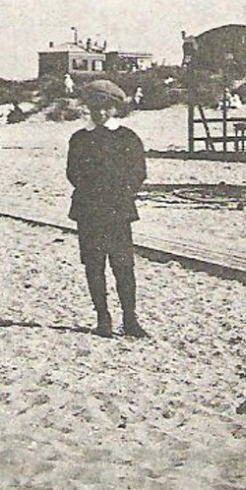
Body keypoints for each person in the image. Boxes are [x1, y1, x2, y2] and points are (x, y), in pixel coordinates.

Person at [66, 79, 148, 339]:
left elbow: (138, 173)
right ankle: (103, 317)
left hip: (117, 211)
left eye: (106, 108)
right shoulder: (79, 139)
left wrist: (119, 193)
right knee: (94, 265)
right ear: (88, 109)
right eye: (95, 108)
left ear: (114, 109)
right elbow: (73, 173)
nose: (101, 113)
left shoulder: (127, 138)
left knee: (123, 265)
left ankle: (130, 318)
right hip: (89, 210)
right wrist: (92, 192)